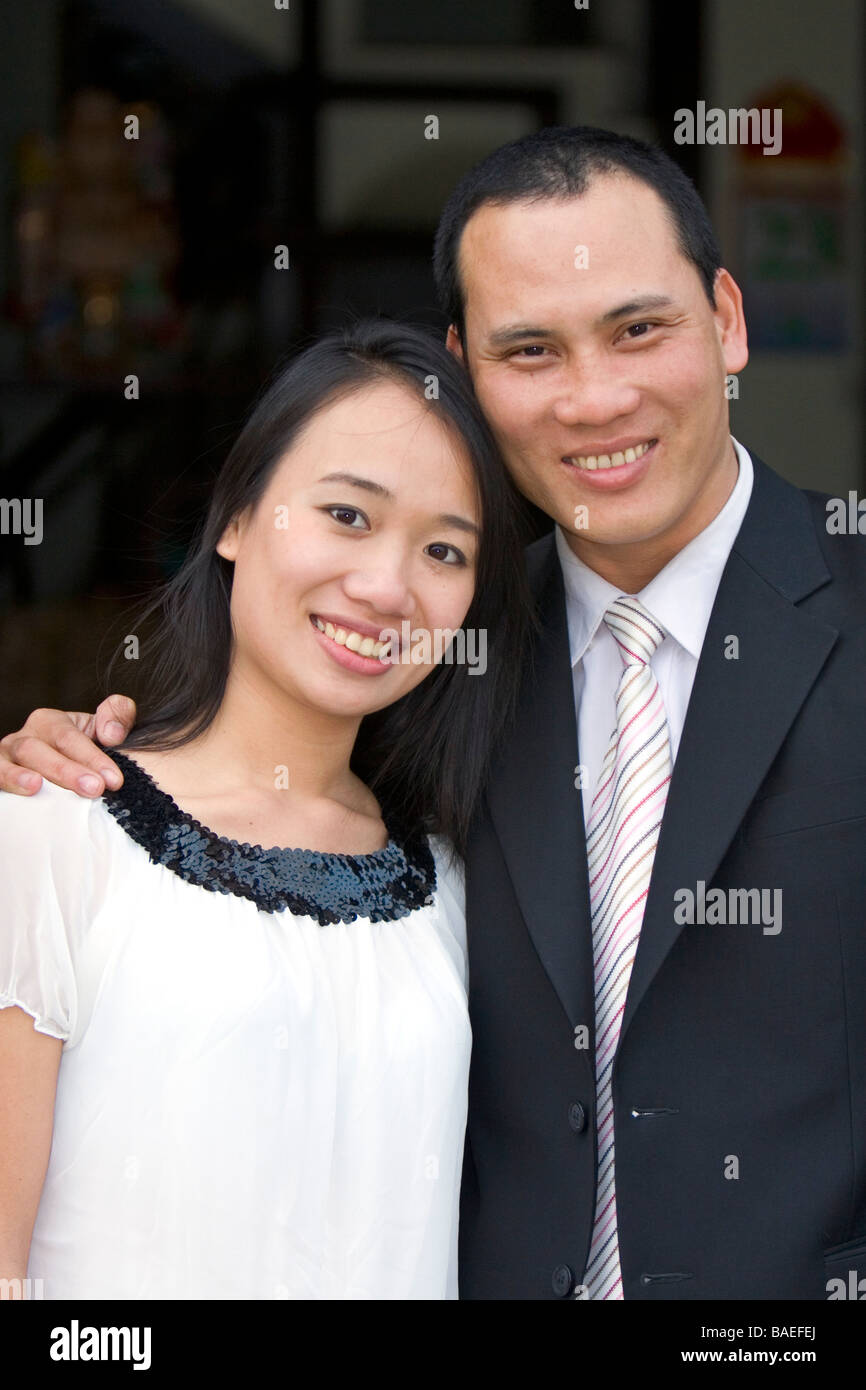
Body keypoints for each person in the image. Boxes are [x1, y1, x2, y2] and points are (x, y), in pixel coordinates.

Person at [5, 126, 866, 1301]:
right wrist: (71, 773)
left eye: (637, 328)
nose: (593, 397)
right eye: (529, 349)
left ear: (723, 318)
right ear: (463, 368)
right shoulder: (430, 668)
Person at [0, 317, 532, 1300]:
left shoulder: (457, 886)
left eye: (444, 552)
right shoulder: (52, 826)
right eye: (346, 514)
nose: (383, 586)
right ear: (236, 518)